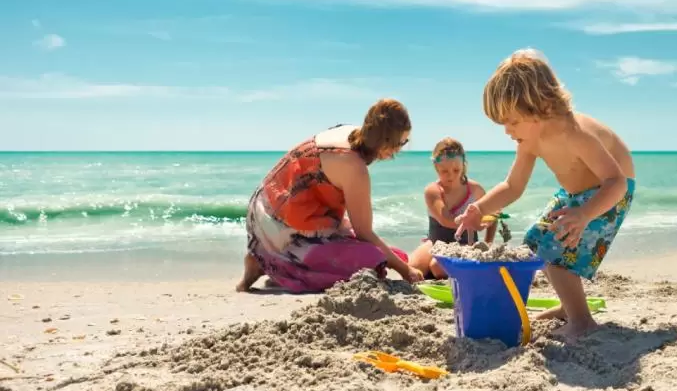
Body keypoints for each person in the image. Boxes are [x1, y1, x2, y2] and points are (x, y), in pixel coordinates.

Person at [455, 49, 636, 339]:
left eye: (512, 121)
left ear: (538, 107)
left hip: (609, 192)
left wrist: (585, 214)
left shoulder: (576, 134)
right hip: (574, 193)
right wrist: (479, 208)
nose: (507, 130)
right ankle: (570, 307)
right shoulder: (530, 139)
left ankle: (582, 322)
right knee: (538, 241)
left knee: (557, 251)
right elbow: (513, 186)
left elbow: (617, 182)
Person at [236, 98, 424, 293]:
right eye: (401, 142)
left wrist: (400, 264)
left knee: (394, 255)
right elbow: (364, 233)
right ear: (386, 144)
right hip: (285, 229)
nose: (400, 149)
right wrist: (405, 271)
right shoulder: (353, 167)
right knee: (371, 263)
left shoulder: (350, 132)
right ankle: (271, 260)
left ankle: (263, 257)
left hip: (267, 206)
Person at [407, 137, 497, 279]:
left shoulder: (475, 189)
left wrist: (487, 243)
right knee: (411, 269)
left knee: (437, 266)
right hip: (436, 241)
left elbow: (494, 213)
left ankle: (456, 273)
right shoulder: (433, 191)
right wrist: (474, 221)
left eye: (456, 170)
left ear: (464, 166)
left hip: (466, 243)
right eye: (444, 171)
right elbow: (445, 220)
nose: (451, 176)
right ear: (436, 168)